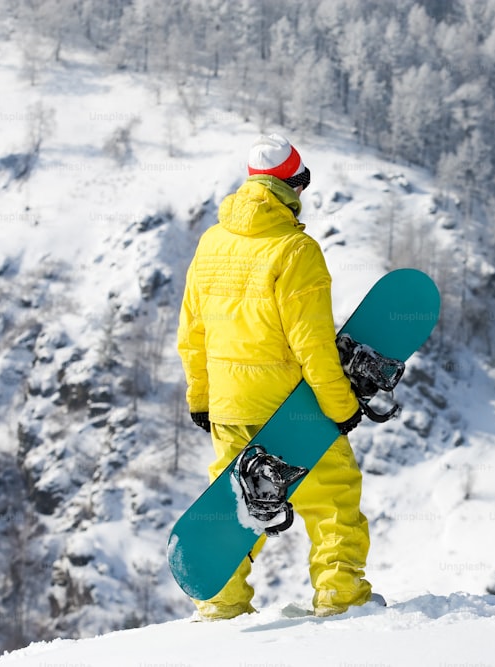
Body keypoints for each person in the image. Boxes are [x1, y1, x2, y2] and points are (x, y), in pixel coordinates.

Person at [176, 134, 375, 619]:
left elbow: (192, 333)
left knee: (238, 506)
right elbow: (313, 346)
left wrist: (201, 398)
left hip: (227, 406)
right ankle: (339, 596)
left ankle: (222, 605)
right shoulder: (295, 250)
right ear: (293, 186)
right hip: (289, 408)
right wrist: (341, 407)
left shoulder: (211, 243)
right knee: (332, 498)